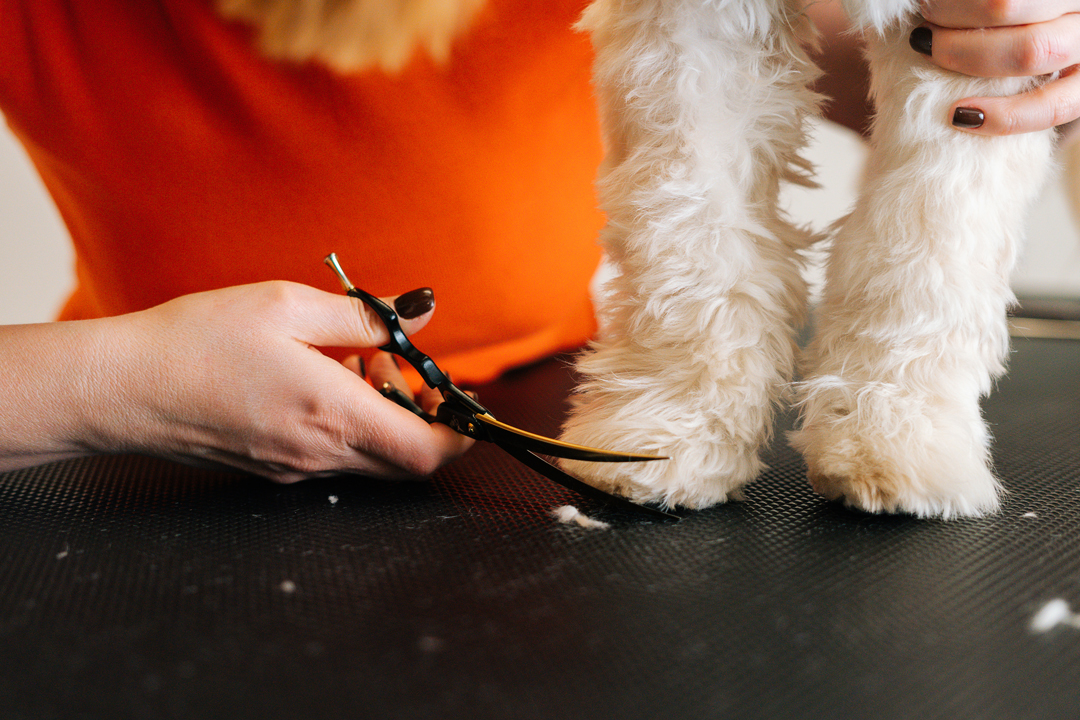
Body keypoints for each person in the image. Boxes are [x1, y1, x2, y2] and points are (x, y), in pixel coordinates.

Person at [1, 0, 1077, 482]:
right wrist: (109, 384)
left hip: (555, 414)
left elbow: (830, 51)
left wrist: (1021, 54)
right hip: (122, 481)